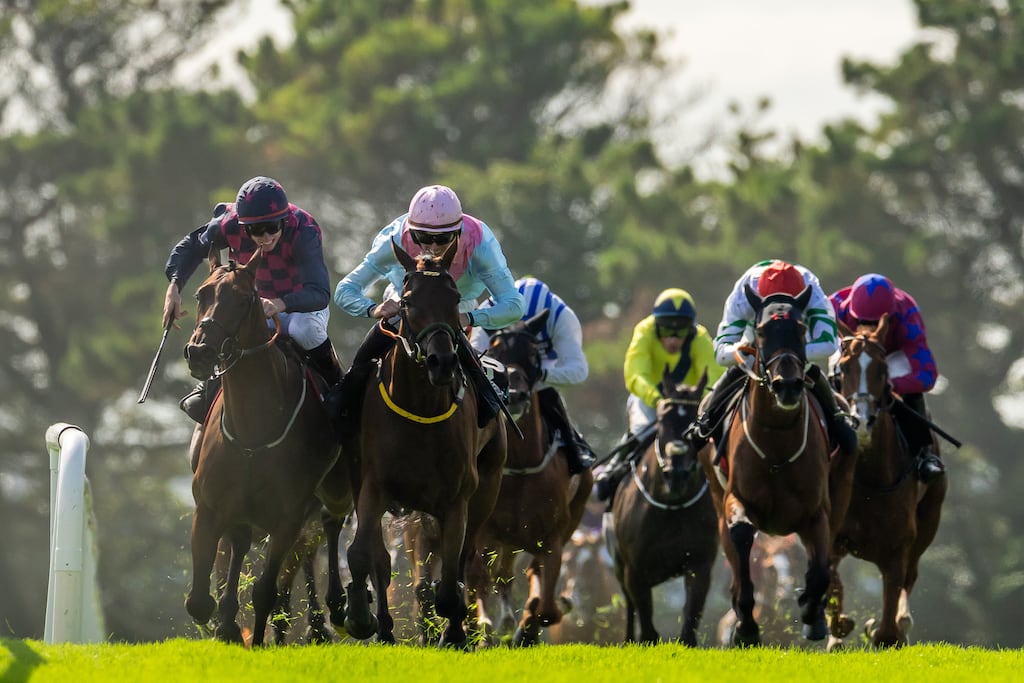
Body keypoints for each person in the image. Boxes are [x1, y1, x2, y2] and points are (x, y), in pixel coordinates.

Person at [332, 184, 524, 431]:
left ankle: (488, 416)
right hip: (407, 302)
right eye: (423, 238)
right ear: (411, 232)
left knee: (487, 398)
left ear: (458, 231)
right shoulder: (394, 238)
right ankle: (344, 401)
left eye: (442, 239)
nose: (432, 247)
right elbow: (345, 290)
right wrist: (373, 309)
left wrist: (468, 318)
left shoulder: (480, 243)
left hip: (456, 306)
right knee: (363, 362)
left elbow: (514, 305)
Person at [163, 176, 341, 423]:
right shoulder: (227, 225)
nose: (266, 237)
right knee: (230, 324)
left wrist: (279, 304)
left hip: (303, 305)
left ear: (285, 220)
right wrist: (174, 286)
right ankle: (209, 387)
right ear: (243, 225)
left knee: (305, 330)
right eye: (257, 230)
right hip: (255, 302)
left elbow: (319, 293)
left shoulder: (303, 229)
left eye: (274, 227)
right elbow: (191, 247)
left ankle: (339, 390)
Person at [690, 259, 858, 459]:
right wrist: (747, 352)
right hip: (758, 341)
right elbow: (721, 351)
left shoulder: (812, 291)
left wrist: (793, 355)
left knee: (808, 371)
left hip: (796, 342)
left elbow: (829, 344)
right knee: (737, 371)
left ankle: (837, 420)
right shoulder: (742, 296)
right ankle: (707, 421)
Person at [593, 288, 724, 502]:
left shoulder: (699, 337)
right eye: (665, 330)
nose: (672, 339)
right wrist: (656, 399)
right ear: (656, 325)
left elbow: (714, 377)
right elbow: (635, 374)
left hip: (689, 404)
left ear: (690, 329)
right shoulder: (644, 331)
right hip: (650, 400)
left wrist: (699, 401)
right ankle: (614, 470)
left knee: (712, 435)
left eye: (680, 331)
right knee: (640, 432)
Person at [471, 276, 595, 475]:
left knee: (549, 399)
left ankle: (575, 451)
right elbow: (475, 356)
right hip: (500, 364)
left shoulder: (561, 315)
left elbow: (579, 369)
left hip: (542, 368)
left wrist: (541, 374)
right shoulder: (491, 309)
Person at [830, 273, 945, 483]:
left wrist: (893, 384)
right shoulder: (834, 307)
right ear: (852, 313)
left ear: (890, 317)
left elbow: (927, 376)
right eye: (863, 321)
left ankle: (924, 454)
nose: (870, 328)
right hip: (850, 350)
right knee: (836, 372)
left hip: (890, 356)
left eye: (876, 322)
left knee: (904, 376)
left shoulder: (907, 313)